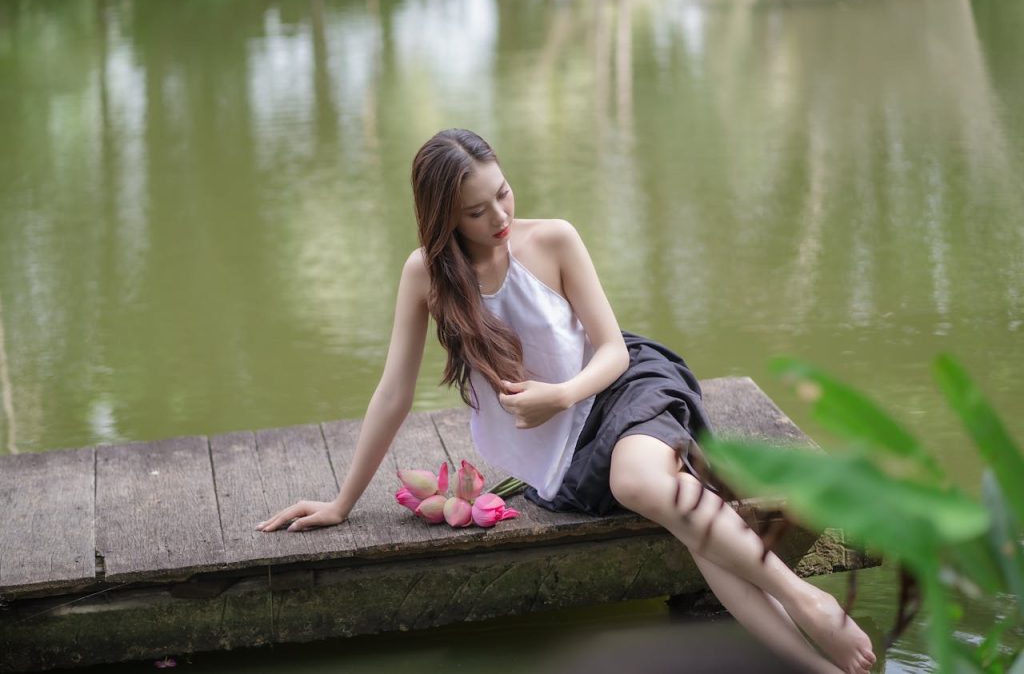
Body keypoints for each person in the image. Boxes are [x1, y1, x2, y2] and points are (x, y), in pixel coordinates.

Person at [256, 129, 876, 674]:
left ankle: (805, 598)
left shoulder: (553, 240)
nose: (499, 215)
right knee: (692, 532)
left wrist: (561, 395)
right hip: (554, 447)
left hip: (616, 392)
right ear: (444, 217)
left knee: (640, 484)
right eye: (476, 211)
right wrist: (343, 503)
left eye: (503, 192)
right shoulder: (426, 275)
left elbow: (612, 351)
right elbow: (393, 391)